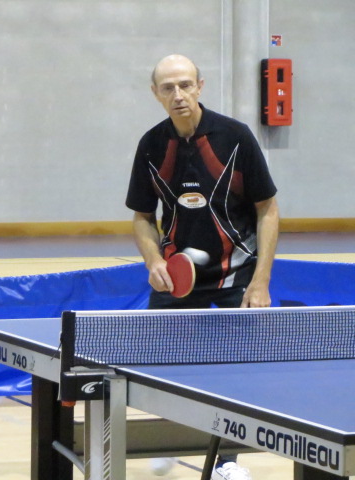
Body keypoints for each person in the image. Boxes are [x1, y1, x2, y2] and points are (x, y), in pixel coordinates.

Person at [126, 55, 279, 479]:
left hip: (235, 273)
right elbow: (142, 216)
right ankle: (172, 439)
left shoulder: (235, 137)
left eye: (185, 84)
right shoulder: (152, 145)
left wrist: (261, 280)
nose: (178, 94)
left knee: (235, 372)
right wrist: (154, 260)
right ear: (155, 94)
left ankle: (226, 462)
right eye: (168, 88)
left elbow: (267, 209)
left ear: (200, 86)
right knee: (163, 367)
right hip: (177, 277)